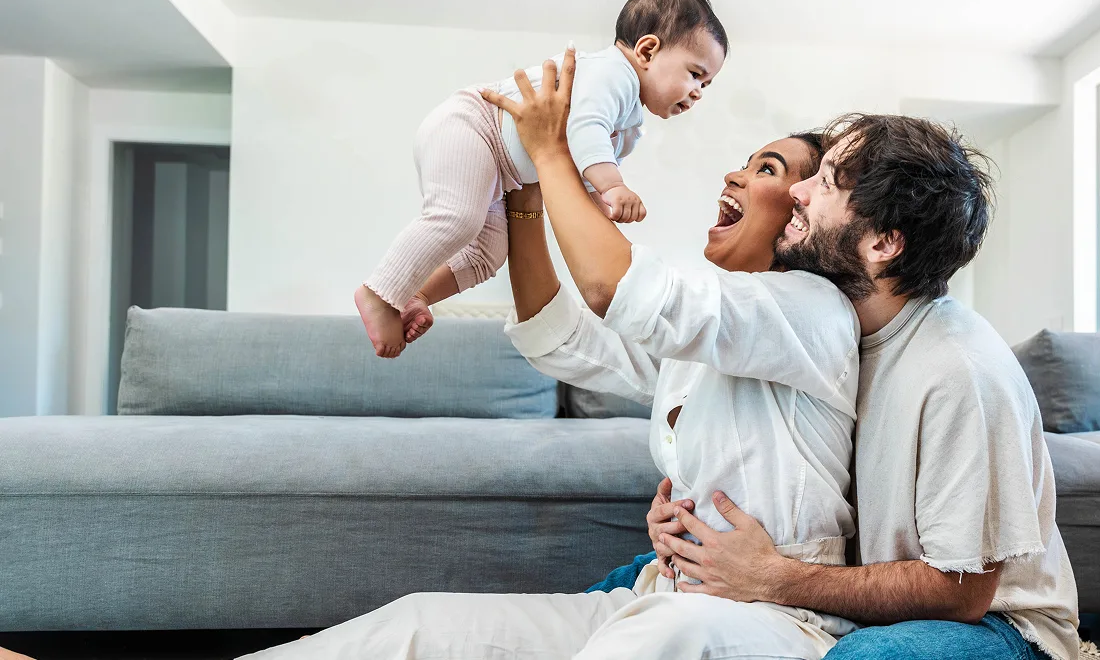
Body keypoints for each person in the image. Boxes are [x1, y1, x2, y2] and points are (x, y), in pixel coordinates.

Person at [231, 48, 869, 660]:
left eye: (767, 170)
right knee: (420, 624)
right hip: (662, 603)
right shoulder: (707, 338)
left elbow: (614, 286)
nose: (733, 173)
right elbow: (564, 336)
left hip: (769, 621)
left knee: (657, 639)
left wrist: (551, 149)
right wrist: (522, 186)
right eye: (747, 161)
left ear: (801, 212)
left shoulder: (811, 308)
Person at [593, 119, 1081, 659]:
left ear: (882, 242)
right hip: (856, 595)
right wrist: (687, 522)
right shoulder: (826, 328)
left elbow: (960, 591)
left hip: (997, 626)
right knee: (638, 581)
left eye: (825, 183)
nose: (796, 193)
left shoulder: (960, 370)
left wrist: (773, 577)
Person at [354, 0, 727, 358]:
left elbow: (578, 171)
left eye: (707, 84)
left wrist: (600, 203)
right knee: (457, 218)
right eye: (695, 74)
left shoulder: (630, 126)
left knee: (489, 254)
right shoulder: (613, 75)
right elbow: (585, 130)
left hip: (501, 172)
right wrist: (614, 186)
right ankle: (379, 293)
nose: (698, 92)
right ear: (647, 50)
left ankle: (416, 295)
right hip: (474, 125)